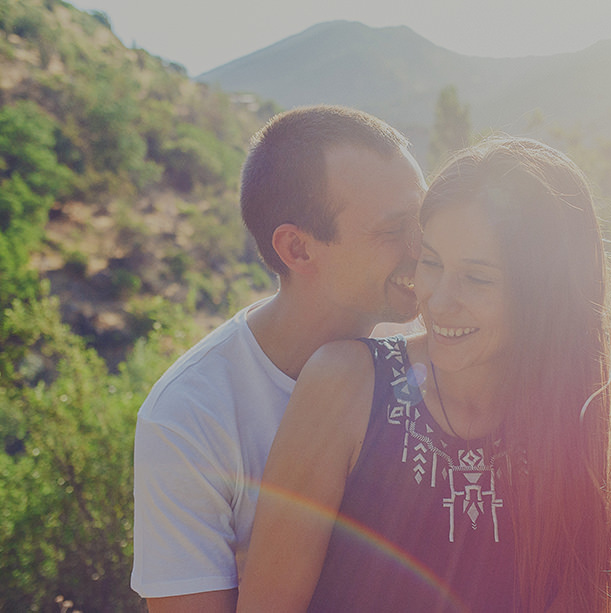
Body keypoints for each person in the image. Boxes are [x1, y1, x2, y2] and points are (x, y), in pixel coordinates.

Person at [238, 136, 611, 612]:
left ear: (547, 296)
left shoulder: (572, 412)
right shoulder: (345, 385)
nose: (439, 300)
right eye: (432, 262)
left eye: (478, 277)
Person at [131, 105, 426, 611]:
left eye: (424, 218)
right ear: (299, 249)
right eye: (393, 229)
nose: (423, 246)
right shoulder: (188, 420)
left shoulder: (440, 350)